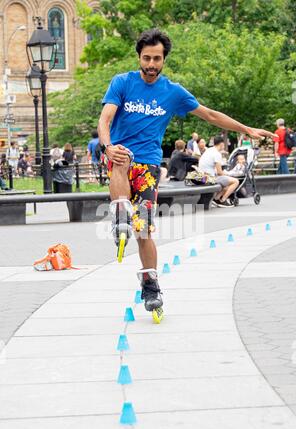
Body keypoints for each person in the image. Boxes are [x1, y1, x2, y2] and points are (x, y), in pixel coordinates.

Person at [98, 28, 275, 317]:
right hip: (120, 158)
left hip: (150, 164)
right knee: (120, 155)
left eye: (157, 59)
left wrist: (247, 130)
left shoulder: (173, 92)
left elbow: (210, 115)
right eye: (146, 58)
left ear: (164, 60)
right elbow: (105, 119)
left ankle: (151, 284)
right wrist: (107, 146)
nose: (151, 65)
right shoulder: (122, 83)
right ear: (139, 58)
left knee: (143, 229)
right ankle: (120, 214)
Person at [198, 136, 239, 208]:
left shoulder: (209, 150)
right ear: (221, 144)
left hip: (202, 177)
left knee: (226, 182)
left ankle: (217, 198)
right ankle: (222, 200)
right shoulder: (217, 154)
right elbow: (220, 172)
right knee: (235, 181)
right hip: (209, 178)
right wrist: (228, 175)